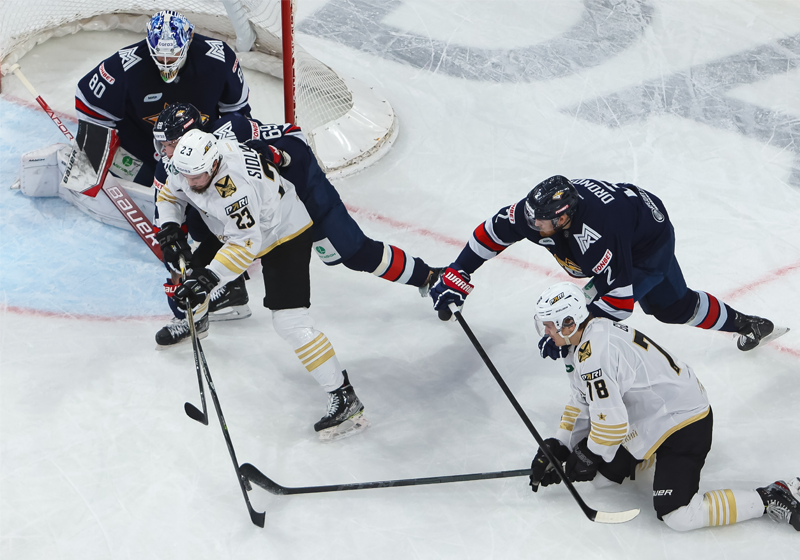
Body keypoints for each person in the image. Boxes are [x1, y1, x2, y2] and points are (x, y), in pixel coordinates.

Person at [150, 102, 441, 346]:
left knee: (354, 254)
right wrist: (172, 233)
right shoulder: (181, 163)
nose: (165, 151)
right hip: (254, 212)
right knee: (196, 242)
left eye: (171, 143)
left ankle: (428, 277)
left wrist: (278, 155)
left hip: (300, 196)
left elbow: (295, 139)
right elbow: (169, 204)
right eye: (164, 144)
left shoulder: (232, 132)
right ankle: (200, 315)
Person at [527, 281, 800, 532]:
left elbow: (611, 424)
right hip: (651, 415)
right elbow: (580, 400)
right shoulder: (581, 343)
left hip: (683, 420)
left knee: (679, 516)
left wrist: (587, 454)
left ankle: (770, 496)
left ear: (569, 322)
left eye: (549, 325)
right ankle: (646, 452)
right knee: (601, 479)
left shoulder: (595, 353)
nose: (546, 333)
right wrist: (560, 446)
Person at [156, 128, 367, 441]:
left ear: (214, 165)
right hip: (238, 231)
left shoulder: (234, 189)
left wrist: (212, 277)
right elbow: (170, 194)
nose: (191, 183)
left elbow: (246, 246)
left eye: (197, 177)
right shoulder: (190, 164)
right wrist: (170, 226)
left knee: (290, 323)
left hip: (284, 233)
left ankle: (344, 396)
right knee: (192, 276)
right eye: (187, 176)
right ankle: (197, 322)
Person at [429, 175, 785, 354]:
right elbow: (493, 231)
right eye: (533, 220)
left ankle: (746, 324)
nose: (533, 227)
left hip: (647, 242)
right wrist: (459, 269)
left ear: (565, 216)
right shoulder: (539, 212)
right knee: (582, 298)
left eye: (542, 224)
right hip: (624, 220)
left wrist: (567, 337)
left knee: (670, 308)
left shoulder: (597, 235)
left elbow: (618, 302)